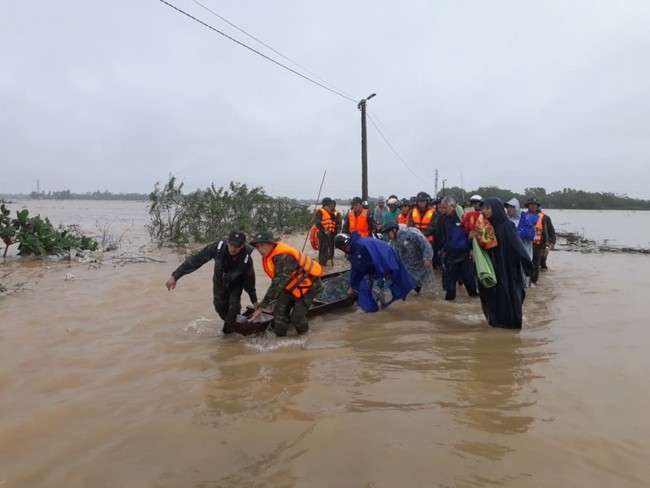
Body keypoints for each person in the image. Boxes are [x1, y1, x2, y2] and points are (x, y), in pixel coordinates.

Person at [165, 231, 258, 334]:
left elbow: (250, 281)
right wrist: (175, 276)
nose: (233, 249)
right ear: (227, 241)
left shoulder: (246, 259)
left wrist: (254, 301)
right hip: (219, 282)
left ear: (243, 246)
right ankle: (235, 324)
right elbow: (196, 260)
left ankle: (229, 335)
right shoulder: (217, 247)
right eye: (231, 245)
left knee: (233, 311)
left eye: (237, 246)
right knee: (220, 307)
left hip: (236, 285)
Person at [248, 231, 323, 336]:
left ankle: (305, 338)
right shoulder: (270, 255)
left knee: (296, 317)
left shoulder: (283, 257)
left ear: (271, 244)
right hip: (290, 285)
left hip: (310, 286)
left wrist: (262, 306)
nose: (260, 249)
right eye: (257, 247)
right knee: (279, 313)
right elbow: (277, 281)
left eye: (262, 245)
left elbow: (277, 284)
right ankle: (281, 340)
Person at [477, 198, 533, 329]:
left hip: (506, 268)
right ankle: (495, 323)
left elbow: (517, 245)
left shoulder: (507, 225)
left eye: (487, 208)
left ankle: (510, 324)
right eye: (483, 208)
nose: (484, 211)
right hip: (491, 267)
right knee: (490, 294)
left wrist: (527, 265)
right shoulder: (485, 226)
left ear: (496, 209)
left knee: (507, 295)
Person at [334, 231, 414, 312]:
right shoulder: (356, 245)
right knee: (371, 286)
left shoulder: (359, 247)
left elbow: (358, 268)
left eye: (346, 247)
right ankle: (379, 307)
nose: (346, 249)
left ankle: (375, 310)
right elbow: (357, 268)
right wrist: (353, 285)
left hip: (387, 262)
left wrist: (352, 286)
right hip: (383, 261)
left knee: (374, 287)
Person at [438, 196, 479, 300]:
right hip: (450, 255)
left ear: (452, 206)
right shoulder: (442, 219)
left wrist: (472, 249)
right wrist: (440, 249)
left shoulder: (463, 217)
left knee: (470, 281)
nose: (443, 210)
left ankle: (474, 303)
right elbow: (440, 236)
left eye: (445, 208)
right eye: (442, 208)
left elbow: (472, 233)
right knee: (450, 285)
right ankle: (449, 305)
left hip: (465, 254)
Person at [382, 221, 434, 293]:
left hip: (422, 262)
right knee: (409, 286)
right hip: (409, 267)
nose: (388, 236)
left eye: (388, 233)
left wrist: (427, 258)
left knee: (429, 286)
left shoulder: (410, 233)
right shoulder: (393, 242)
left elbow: (425, 243)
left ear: (394, 230)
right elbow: (391, 256)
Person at [505, 198, 538, 288]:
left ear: (516, 208)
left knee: (524, 273)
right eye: (507, 207)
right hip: (510, 253)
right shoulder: (505, 221)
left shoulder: (525, 219)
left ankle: (527, 287)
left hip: (524, 251)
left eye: (511, 207)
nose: (509, 209)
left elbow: (532, 236)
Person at [523, 198, 556, 283]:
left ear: (537, 206)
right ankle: (526, 283)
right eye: (531, 204)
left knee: (536, 266)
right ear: (527, 206)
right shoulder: (522, 217)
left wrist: (548, 245)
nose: (533, 206)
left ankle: (533, 283)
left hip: (538, 246)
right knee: (524, 265)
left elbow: (549, 231)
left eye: (535, 204)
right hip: (525, 245)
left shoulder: (544, 217)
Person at [314, 197, 336, 266]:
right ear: (325, 205)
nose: (330, 207)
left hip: (328, 234)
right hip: (322, 234)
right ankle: (321, 264)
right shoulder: (320, 212)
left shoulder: (329, 212)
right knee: (322, 250)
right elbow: (317, 223)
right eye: (329, 205)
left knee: (326, 249)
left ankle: (324, 264)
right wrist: (325, 231)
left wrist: (330, 212)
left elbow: (333, 219)